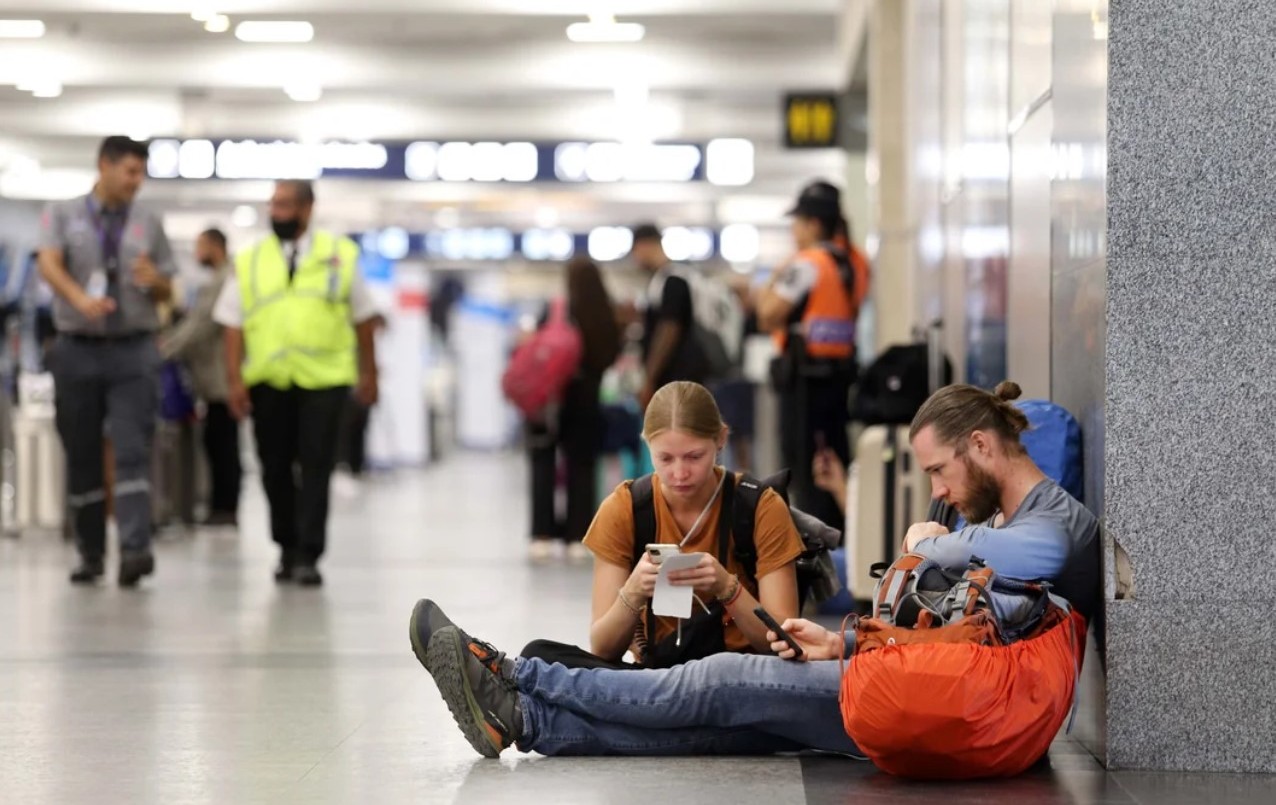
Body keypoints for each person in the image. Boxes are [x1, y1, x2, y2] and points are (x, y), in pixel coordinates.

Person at [409, 381, 1100, 758]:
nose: (940, 492)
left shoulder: (1055, 520)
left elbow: (1038, 558)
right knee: (722, 727)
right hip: (933, 690)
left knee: (718, 680)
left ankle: (508, 673)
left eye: (940, 472)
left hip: (968, 707)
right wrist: (847, 641)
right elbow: (951, 636)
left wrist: (935, 545)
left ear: (981, 445)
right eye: (666, 459)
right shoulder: (993, 520)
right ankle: (524, 719)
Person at [521, 380, 804, 670]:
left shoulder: (760, 507)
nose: (680, 473)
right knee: (537, 655)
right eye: (665, 458)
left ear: (721, 439)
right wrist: (633, 592)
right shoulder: (625, 508)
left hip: (739, 677)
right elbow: (603, 649)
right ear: (647, 445)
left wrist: (727, 588)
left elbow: (784, 642)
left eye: (695, 457)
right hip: (657, 679)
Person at [214, 180, 380, 587]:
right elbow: (231, 324)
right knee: (273, 468)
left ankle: (308, 553)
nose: (277, 212)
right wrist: (234, 380)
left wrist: (369, 373)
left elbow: (363, 318)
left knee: (317, 466)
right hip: (269, 381)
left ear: (307, 209)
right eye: (273, 205)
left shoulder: (340, 255)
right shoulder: (251, 258)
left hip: (325, 381)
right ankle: (285, 545)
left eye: (285, 205)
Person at [38, 136, 177, 587]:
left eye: (141, 173)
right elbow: (48, 263)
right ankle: (90, 551)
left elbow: (168, 291)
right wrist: (80, 299)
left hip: (133, 349)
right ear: (105, 166)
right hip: (76, 346)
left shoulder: (149, 220)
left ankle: (136, 549)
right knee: (82, 452)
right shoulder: (62, 214)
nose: (137, 182)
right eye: (130, 172)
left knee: (133, 448)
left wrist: (155, 280)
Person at [754, 181, 870, 529]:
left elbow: (767, 314)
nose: (794, 231)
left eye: (798, 222)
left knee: (804, 470)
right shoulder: (856, 262)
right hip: (839, 378)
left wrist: (774, 277)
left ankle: (810, 541)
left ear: (814, 224)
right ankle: (842, 534)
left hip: (804, 384)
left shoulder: (807, 264)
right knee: (834, 461)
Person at [528, 257, 622, 562]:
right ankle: (577, 536)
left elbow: (537, 350)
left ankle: (541, 536)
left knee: (544, 464)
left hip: (552, 398)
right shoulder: (605, 313)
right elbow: (612, 354)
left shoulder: (557, 309)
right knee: (582, 468)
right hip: (588, 398)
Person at [161, 228, 241, 527]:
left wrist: (166, 349)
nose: (197, 254)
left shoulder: (224, 281)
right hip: (212, 378)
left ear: (215, 246)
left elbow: (202, 324)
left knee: (223, 443)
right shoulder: (219, 279)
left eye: (200, 247)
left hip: (222, 378)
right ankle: (220, 505)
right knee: (216, 441)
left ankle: (225, 508)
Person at [631, 224, 706, 410]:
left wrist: (650, 377)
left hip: (677, 377)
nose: (635, 258)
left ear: (645, 245)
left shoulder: (673, 279)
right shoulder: (665, 279)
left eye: (635, 251)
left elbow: (669, 329)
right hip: (677, 377)